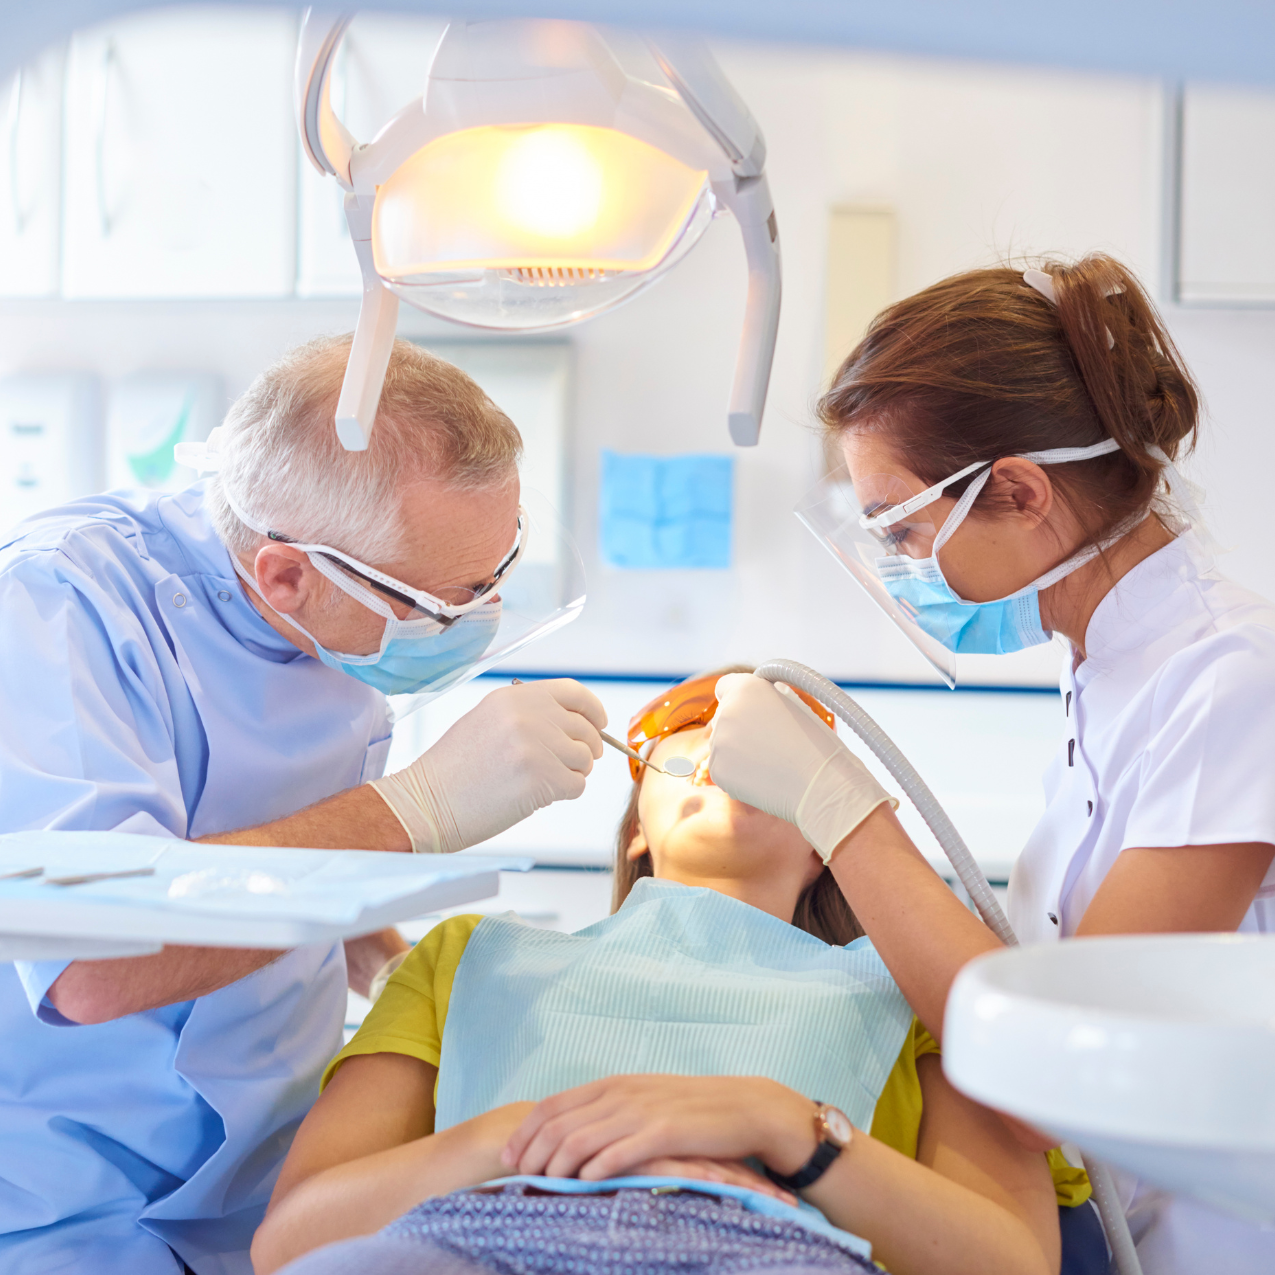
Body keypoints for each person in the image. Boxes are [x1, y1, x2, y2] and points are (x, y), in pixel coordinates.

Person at [707, 254, 1275, 1273]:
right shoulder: (1107, 670)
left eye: (908, 528)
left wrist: (841, 810)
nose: (901, 567)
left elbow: (1055, 1074)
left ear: (1017, 492)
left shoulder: (1235, 680)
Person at [0, 336, 607, 1275]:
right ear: (286, 574)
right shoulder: (58, 608)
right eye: (446, 605)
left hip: (267, 1183)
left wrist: (419, 1000)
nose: (479, 617)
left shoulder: (342, 619)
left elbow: (293, 855)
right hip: (67, 1198)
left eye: (498, 574)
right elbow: (88, 965)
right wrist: (420, 808)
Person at [250, 669, 1094, 1275]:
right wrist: (533, 1135)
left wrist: (784, 1125)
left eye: (772, 764)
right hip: (469, 1239)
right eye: (694, 744)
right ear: (634, 833)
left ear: (823, 841)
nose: (724, 756)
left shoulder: (918, 991)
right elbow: (291, 1244)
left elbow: (1011, 1261)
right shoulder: (464, 957)